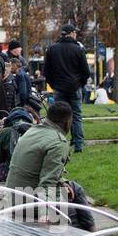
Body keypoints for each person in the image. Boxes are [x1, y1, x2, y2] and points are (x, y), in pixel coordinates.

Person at [43, 23, 90, 154]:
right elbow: (85, 71)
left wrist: (54, 84)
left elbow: (46, 71)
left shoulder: (52, 49)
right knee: (76, 115)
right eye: (75, 33)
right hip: (75, 87)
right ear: (71, 34)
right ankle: (78, 144)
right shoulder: (78, 49)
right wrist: (80, 83)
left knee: (58, 116)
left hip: (59, 87)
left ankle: (58, 143)